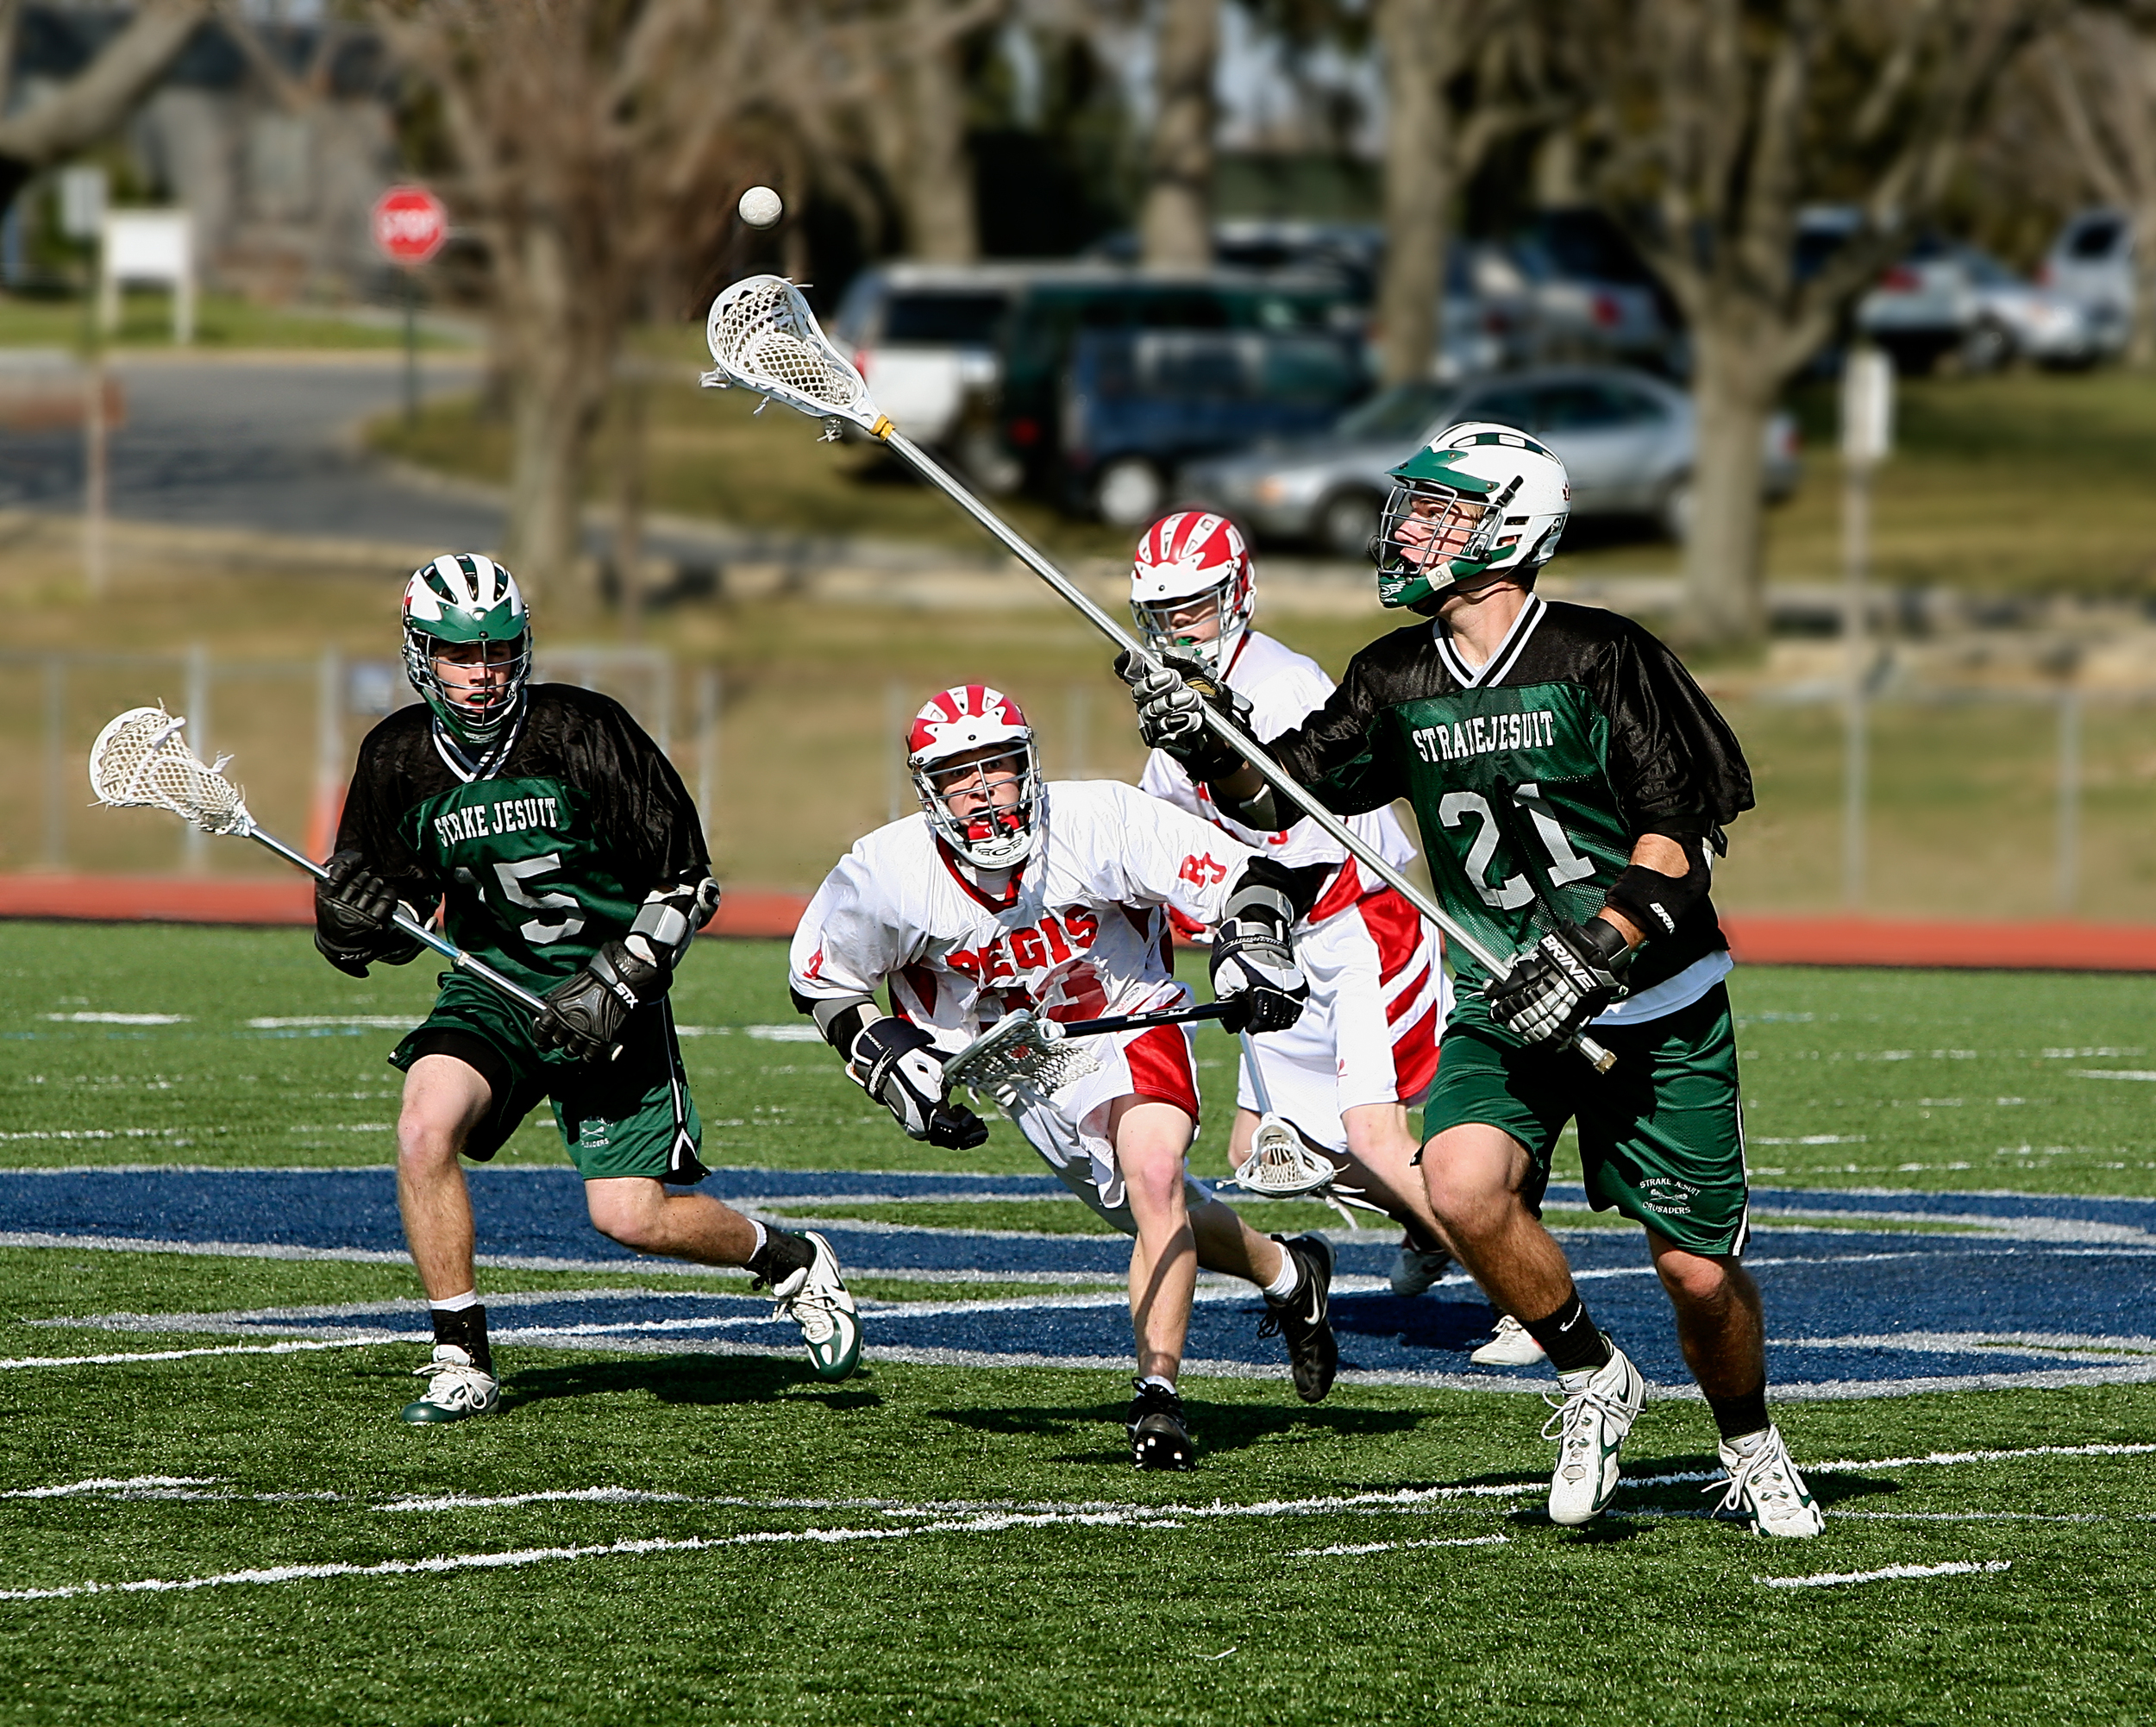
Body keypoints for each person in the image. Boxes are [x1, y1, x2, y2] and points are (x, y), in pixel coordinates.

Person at [1120, 426, 1824, 1536]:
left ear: (1509, 530)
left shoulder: (1601, 655)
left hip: (1653, 1002)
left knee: (1694, 1274)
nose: (1407, 530)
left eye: (1438, 513)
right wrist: (1209, 742)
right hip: (1504, 999)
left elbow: (1677, 841)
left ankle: (1747, 1438)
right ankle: (1591, 1374)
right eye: (1412, 509)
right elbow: (1285, 793)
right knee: (1455, 1184)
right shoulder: (1393, 675)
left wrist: (1594, 950)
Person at [314, 552, 862, 1424]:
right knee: (423, 1127)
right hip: (491, 985)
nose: (481, 670)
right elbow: (380, 926)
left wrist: (619, 981)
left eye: (496, 650)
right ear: (422, 655)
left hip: (609, 988)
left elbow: (688, 879)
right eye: (461, 654)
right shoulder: (397, 759)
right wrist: (350, 918)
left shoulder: (583, 731)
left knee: (631, 1216)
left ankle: (789, 1259)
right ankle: (460, 1355)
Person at [788, 683, 1336, 1471]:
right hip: (1025, 1070)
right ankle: (1290, 1273)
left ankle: (1158, 1399)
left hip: (1132, 1016)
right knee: (1149, 1212)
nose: (982, 790)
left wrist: (1251, 948)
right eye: (958, 775)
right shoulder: (888, 872)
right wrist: (886, 1058)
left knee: (1153, 1176)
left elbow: (1247, 879)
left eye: (997, 767)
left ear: (1028, 767)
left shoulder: (1096, 820)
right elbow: (820, 978)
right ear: (929, 790)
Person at [1126, 512, 1517, 1341]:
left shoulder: (1282, 686)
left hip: (1357, 920)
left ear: (1236, 598)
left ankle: (1516, 1287)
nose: (1175, 631)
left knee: (1374, 1137)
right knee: (1258, 1152)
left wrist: (1248, 924)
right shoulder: (1174, 712)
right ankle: (1435, 1220)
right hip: (1273, 945)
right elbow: (1161, 840)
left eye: (1190, 609)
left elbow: (1304, 846)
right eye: (1160, 616)